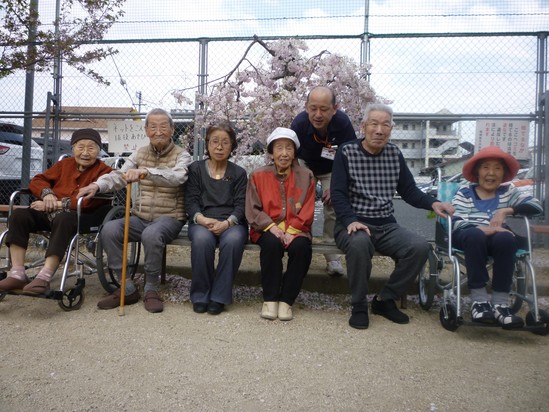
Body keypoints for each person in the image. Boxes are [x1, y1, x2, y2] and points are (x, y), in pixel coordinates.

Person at [331, 103, 455, 330]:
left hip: (386, 225)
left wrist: (433, 203)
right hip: (352, 224)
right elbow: (337, 193)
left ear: (391, 129)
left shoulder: (394, 153)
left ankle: (385, 300)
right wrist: (351, 220)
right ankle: (359, 305)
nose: (379, 130)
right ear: (363, 127)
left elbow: (409, 191)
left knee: (419, 247)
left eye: (385, 125)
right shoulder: (346, 151)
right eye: (374, 124)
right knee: (359, 244)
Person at [78, 108, 192, 313]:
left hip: (170, 218)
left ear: (172, 129)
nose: (158, 131)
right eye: (153, 127)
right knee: (109, 230)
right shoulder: (139, 153)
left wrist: (146, 172)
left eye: (163, 127)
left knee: (151, 234)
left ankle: (151, 288)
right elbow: (120, 176)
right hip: (140, 216)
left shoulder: (182, 155)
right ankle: (126, 287)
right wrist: (97, 185)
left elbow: (178, 177)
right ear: (146, 130)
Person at [0, 128, 112, 294]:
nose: (85, 153)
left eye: (91, 148)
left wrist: (57, 204)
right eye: (81, 147)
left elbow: (88, 202)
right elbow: (38, 180)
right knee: (19, 215)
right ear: (73, 148)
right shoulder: (64, 165)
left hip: (84, 216)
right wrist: (47, 194)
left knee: (64, 218)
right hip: (51, 213)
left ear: (99, 150)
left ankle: (44, 277)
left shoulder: (104, 171)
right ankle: (17, 274)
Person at [452, 146, 543, 329]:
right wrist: (481, 228)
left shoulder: (508, 192)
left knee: (506, 239)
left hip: (498, 239)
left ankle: (500, 305)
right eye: (485, 167)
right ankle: (479, 301)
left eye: (497, 168)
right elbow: (456, 221)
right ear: (477, 171)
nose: (491, 173)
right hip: (469, 236)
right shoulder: (465, 193)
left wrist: (506, 210)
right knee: (475, 235)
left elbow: (536, 207)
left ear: (504, 173)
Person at [245, 127, 315, 321]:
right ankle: (270, 298)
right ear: (271, 152)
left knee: (301, 248)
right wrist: (272, 227)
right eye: (279, 148)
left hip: (297, 228)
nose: (284, 153)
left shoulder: (306, 175)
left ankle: (286, 300)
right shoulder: (257, 175)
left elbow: (308, 207)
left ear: (294, 152)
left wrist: (293, 230)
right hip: (266, 228)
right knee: (271, 245)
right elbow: (252, 208)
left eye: (289, 148)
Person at [291, 86, 357, 277]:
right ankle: (301, 248)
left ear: (335, 108)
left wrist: (337, 188)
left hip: (333, 168)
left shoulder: (343, 123)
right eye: (313, 108)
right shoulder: (299, 123)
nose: (318, 114)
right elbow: (292, 155)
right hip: (305, 164)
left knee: (334, 204)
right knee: (301, 203)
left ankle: (332, 255)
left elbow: (350, 156)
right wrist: (301, 180)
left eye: (324, 109)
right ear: (306, 107)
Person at [184, 122, 248, 315]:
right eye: (215, 142)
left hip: (232, 223)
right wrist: (202, 219)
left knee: (233, 241)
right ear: (207, 144)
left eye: (225, 142)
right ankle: (200, 295)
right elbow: (191, 201)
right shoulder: (196, 169)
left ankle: (219, 296)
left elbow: (241, 205)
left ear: (232, 146)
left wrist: (227, 223)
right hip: (202, 221)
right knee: (202, 240)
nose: (219, 147)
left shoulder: (239, 173)